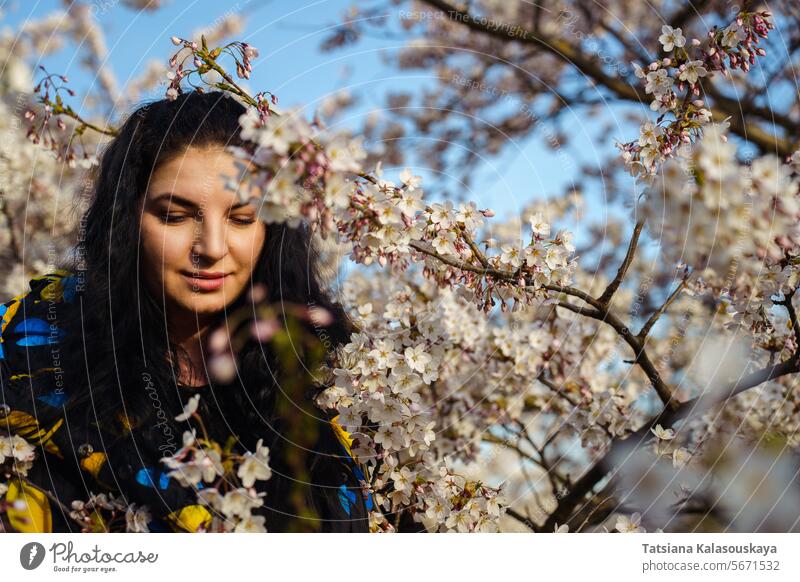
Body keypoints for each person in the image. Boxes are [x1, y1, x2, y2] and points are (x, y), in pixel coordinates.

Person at [0, 90, 374, 533]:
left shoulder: (334, 378)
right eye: (175, 217)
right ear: (127, 221)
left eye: (241, 219)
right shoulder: (29, 351)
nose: (212, 248)